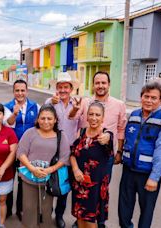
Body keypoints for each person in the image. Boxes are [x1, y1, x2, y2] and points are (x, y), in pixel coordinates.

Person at [70, 71, 126, 228]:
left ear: (109, 84)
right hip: (81, 168)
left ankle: (97, 222)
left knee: (99, 194)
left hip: (104, 159)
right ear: (93, 85)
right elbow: (72, 117)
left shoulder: (119, 105)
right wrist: (75, 109)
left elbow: (120, 130)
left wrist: (118, 151)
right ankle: (84, 220)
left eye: (104, 83)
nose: (100, 86)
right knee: (82, 207)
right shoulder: (85, 103)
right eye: (97, 83)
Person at [118, 81, 161, 228]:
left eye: (153, 98)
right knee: (123, 210)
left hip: (148, 175)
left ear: (160, 100)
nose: (149, 100)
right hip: (128, 171)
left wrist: (154, 178)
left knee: (146, 213)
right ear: (141, 97)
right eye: (146, 96)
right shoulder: (133, 115)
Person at [17, 104, 70, 228]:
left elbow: (64, 157)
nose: (46, 121)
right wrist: (32, 168)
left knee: (46, 213)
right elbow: (21, 152)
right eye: (42, 118)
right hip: (29, 179)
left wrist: (49, 170)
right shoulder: (30, 133)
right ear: (38, 119)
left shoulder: (61, 136)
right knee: (29, 210)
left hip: (48, 181)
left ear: (55, 120)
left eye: (49, 118)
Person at [70, 101, 113, 228]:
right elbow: (72, 153)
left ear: (103, 117)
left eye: (98, 115)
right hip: (79, 183)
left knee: (90, 221)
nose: (94, 118)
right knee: (80, 218)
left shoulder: (106, 135)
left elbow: (109, 140)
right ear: (87, 116)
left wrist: (108, 137)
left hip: (96, 187)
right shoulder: (82, 132)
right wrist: (76, 170)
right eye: (91, 114)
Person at [45, 71, 80, 228]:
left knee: (64, 185)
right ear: (56, 88)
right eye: (60, 87)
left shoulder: (77, 104)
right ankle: (46, 213)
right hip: (51, 148)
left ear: (71, 88)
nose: (63, 90)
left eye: (66, 87)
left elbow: (79, 126)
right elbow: (43, 121)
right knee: (48, 182)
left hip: (69, 152)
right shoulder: (50, 101)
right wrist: (51, 104)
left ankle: (59, 215)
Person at [3, 79, 40, 220]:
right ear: (13, 92)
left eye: (22, 90)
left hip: (29, 151)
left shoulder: (35, 106)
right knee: (9, 180)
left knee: (24, 180)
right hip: (11, 150)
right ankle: (6, 210)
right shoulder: (7, 107)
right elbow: (8, 124)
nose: (20, 93)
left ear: (27, 91)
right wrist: (15, 114)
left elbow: (40, 124)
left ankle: (21, 210)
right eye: (17, 90)